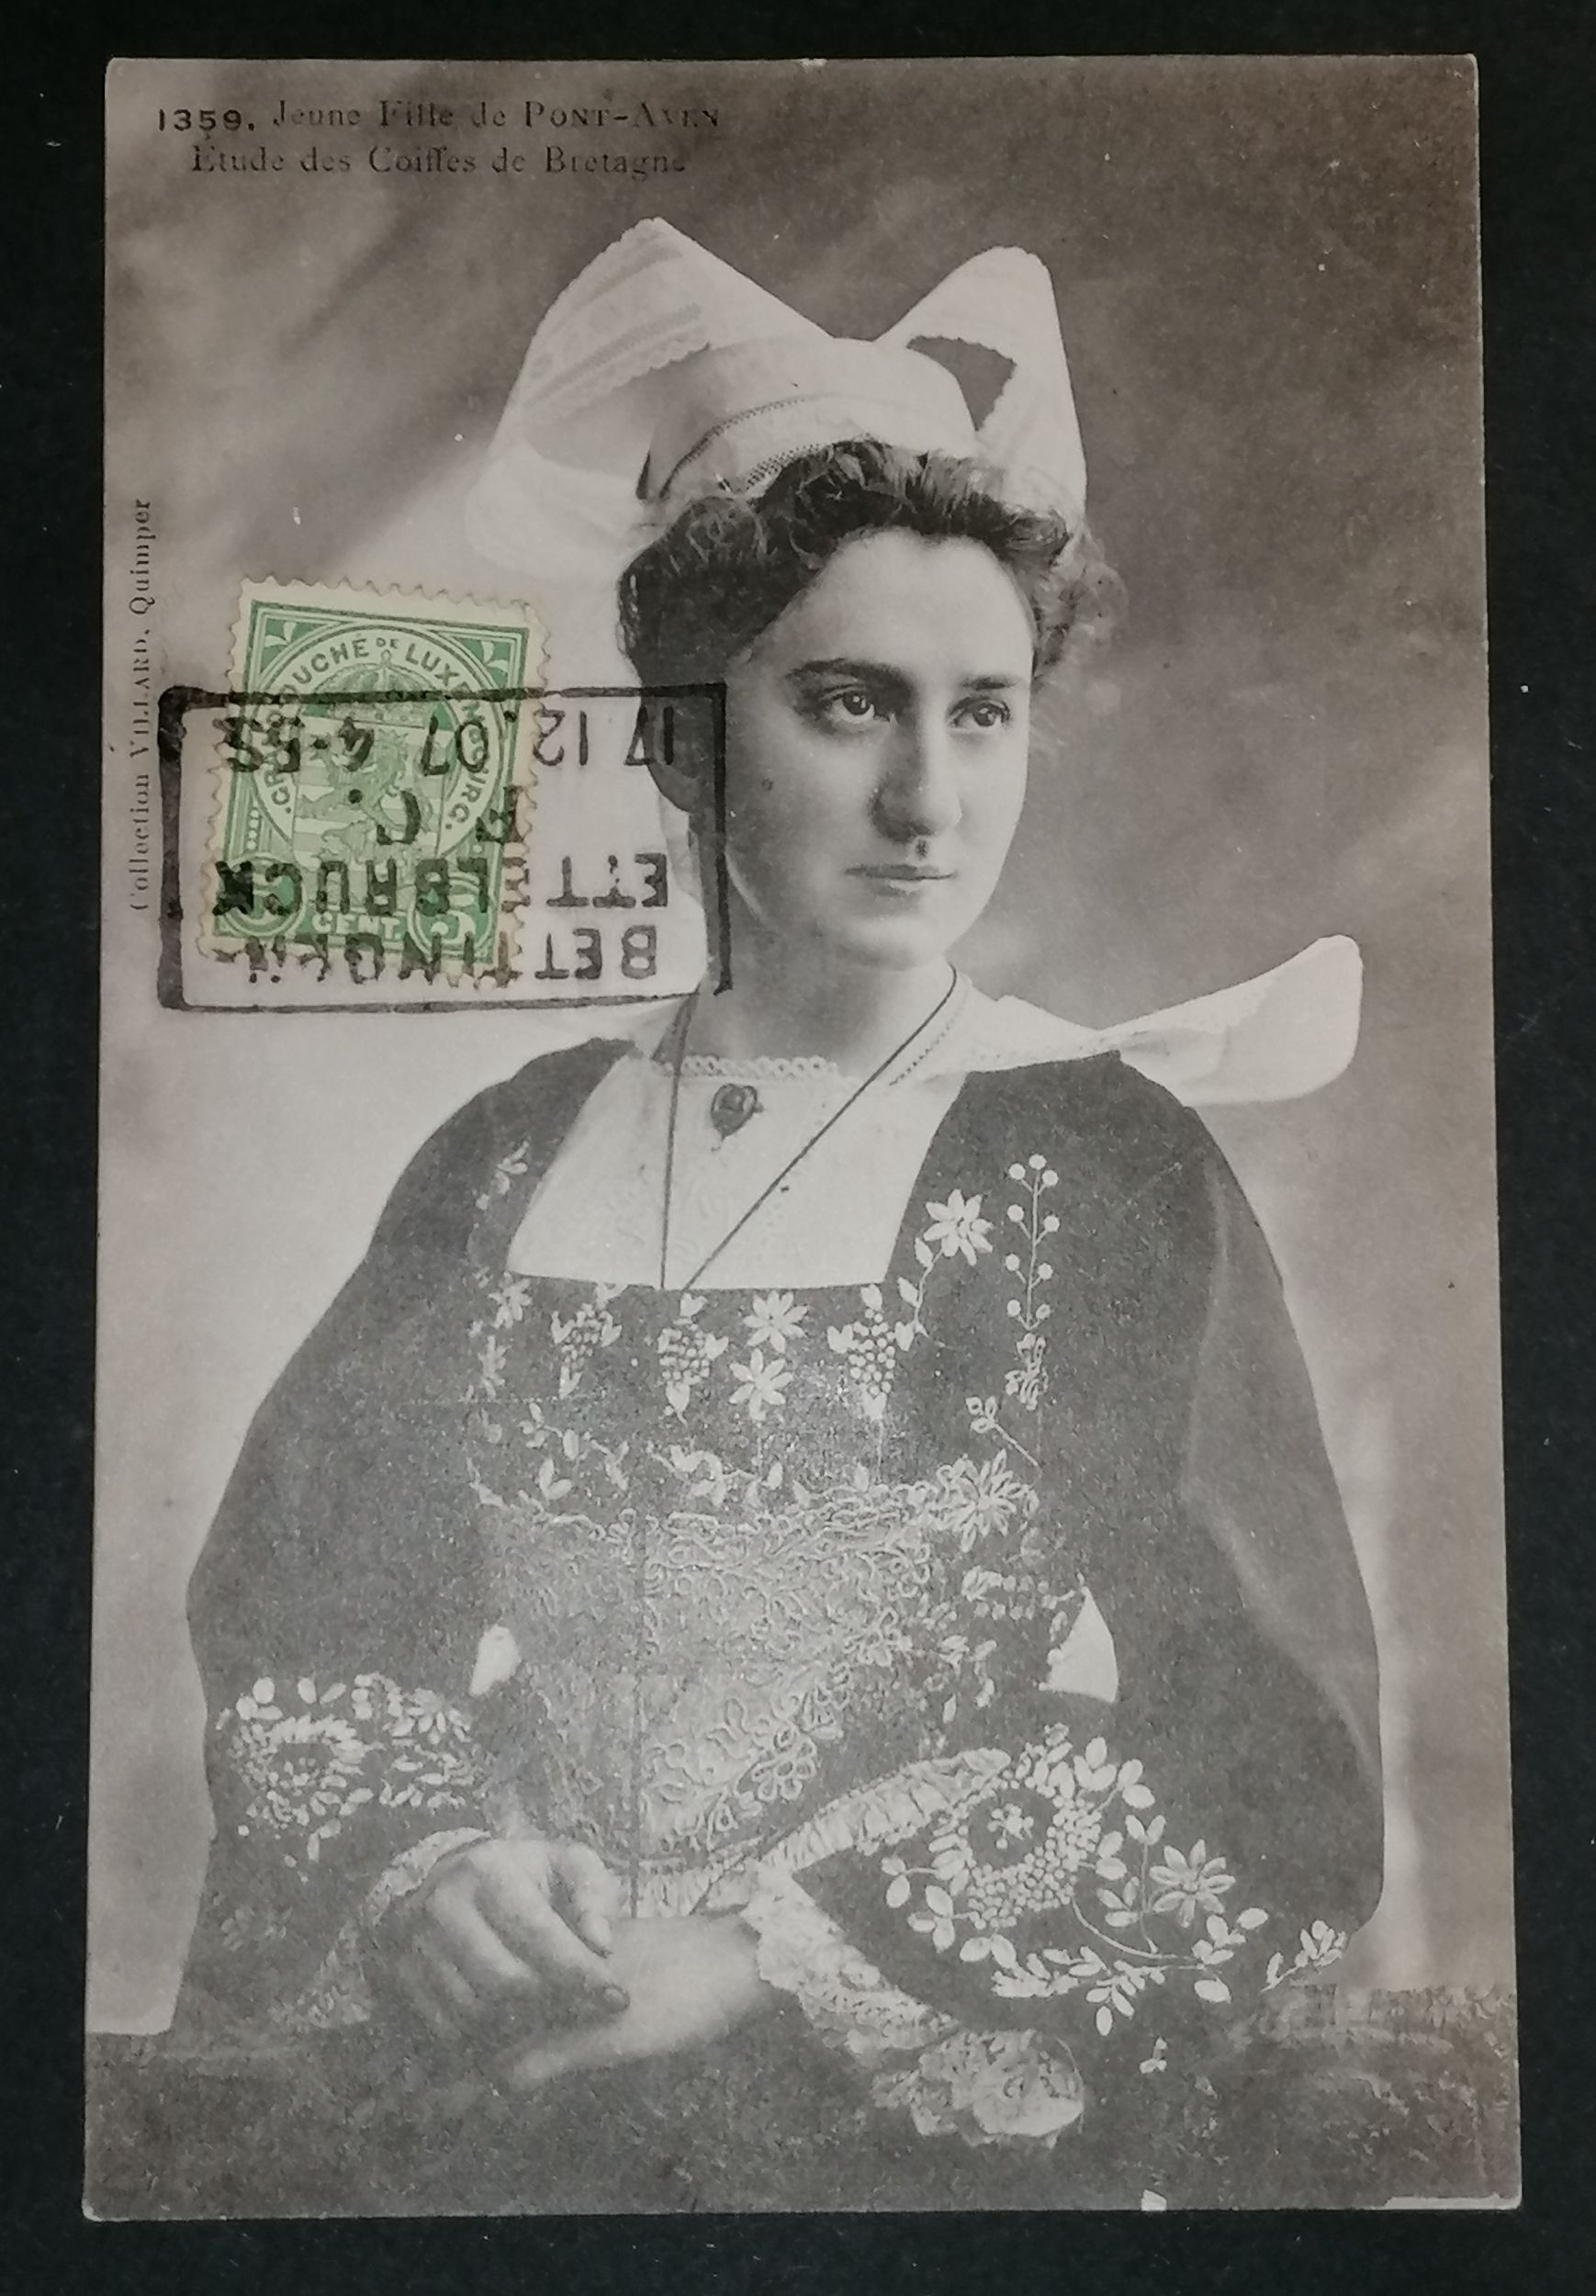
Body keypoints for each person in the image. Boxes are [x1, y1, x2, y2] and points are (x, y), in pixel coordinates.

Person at [172, 221, 1382, 2212]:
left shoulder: (1094, 1161)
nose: (929, 798)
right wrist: (434, 1869)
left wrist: (750, 1958)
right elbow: (316, 1604)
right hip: (506, 2050)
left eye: (981, 710)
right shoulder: (503, 1155)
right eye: (847, 704)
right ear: (674, 730)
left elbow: (1269, 1755)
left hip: (913, 2087)